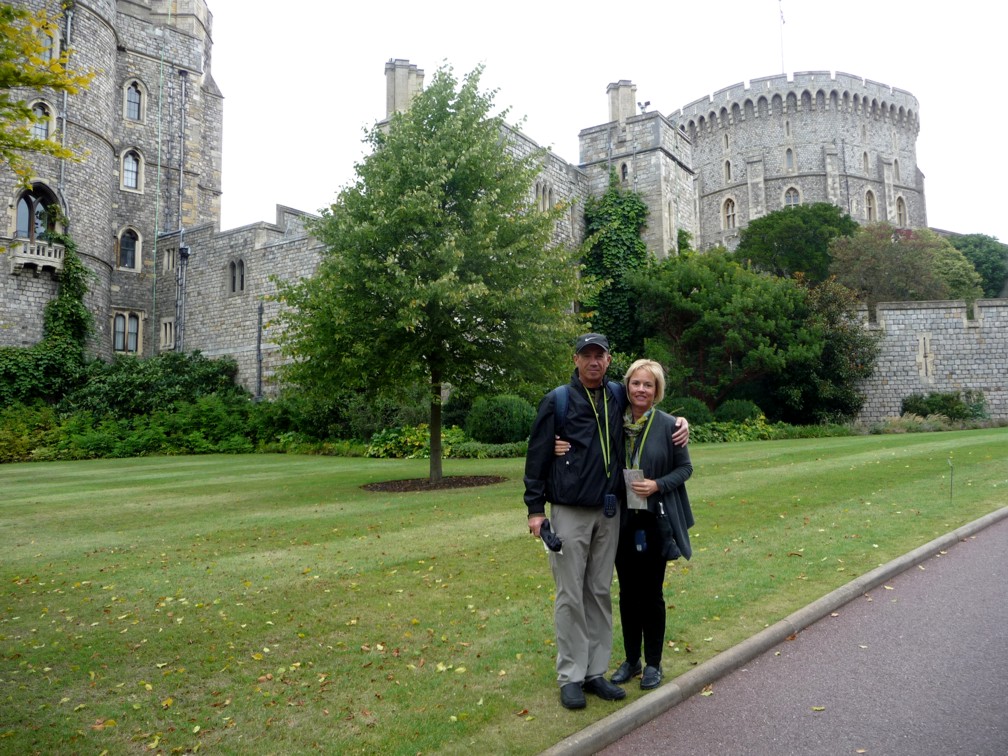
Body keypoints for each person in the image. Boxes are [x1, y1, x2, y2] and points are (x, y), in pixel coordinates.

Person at [524, 334, 688, 710]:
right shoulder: (558, 400)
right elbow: (535, 458)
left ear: (609, 359)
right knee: (570, 594)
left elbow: (648, 406)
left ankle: (596, 671)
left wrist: (681, 421)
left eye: (600, 355)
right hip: (569, 510)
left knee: (598, 592)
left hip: (609, 512)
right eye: (587, 356)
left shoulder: (616, 394)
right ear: (576, 359)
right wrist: (535, 511)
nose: (594, 362)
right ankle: (571, 675)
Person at [608, 358, 694, 691]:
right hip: (622, 519)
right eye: (636, 383)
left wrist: (657, 484)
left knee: (651, 594)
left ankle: (654, 664)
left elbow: (685, 469)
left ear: (657, 391)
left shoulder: (671, 425)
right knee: (628, 593)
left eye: (648, 385)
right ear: (626, 386)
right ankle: (632, 660)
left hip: (655, 519)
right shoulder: (614, 421)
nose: (641, 390)